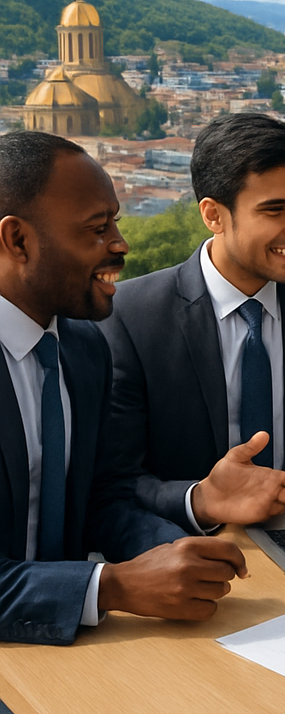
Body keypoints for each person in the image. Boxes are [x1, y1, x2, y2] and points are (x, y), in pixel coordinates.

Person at [0, 132, 247, 649]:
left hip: (74, 653)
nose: (120, 243)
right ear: (17, 240)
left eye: (115, 221)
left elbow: (101, 500)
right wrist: (110, 586)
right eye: (96, 229)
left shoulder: (84, 348)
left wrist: (182, 552)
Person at [99, 114, 285, 534]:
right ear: (214, 215)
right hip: (188, 548)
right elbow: (115, 487)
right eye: (275, 210)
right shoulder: (130, 317)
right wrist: (201, 501)